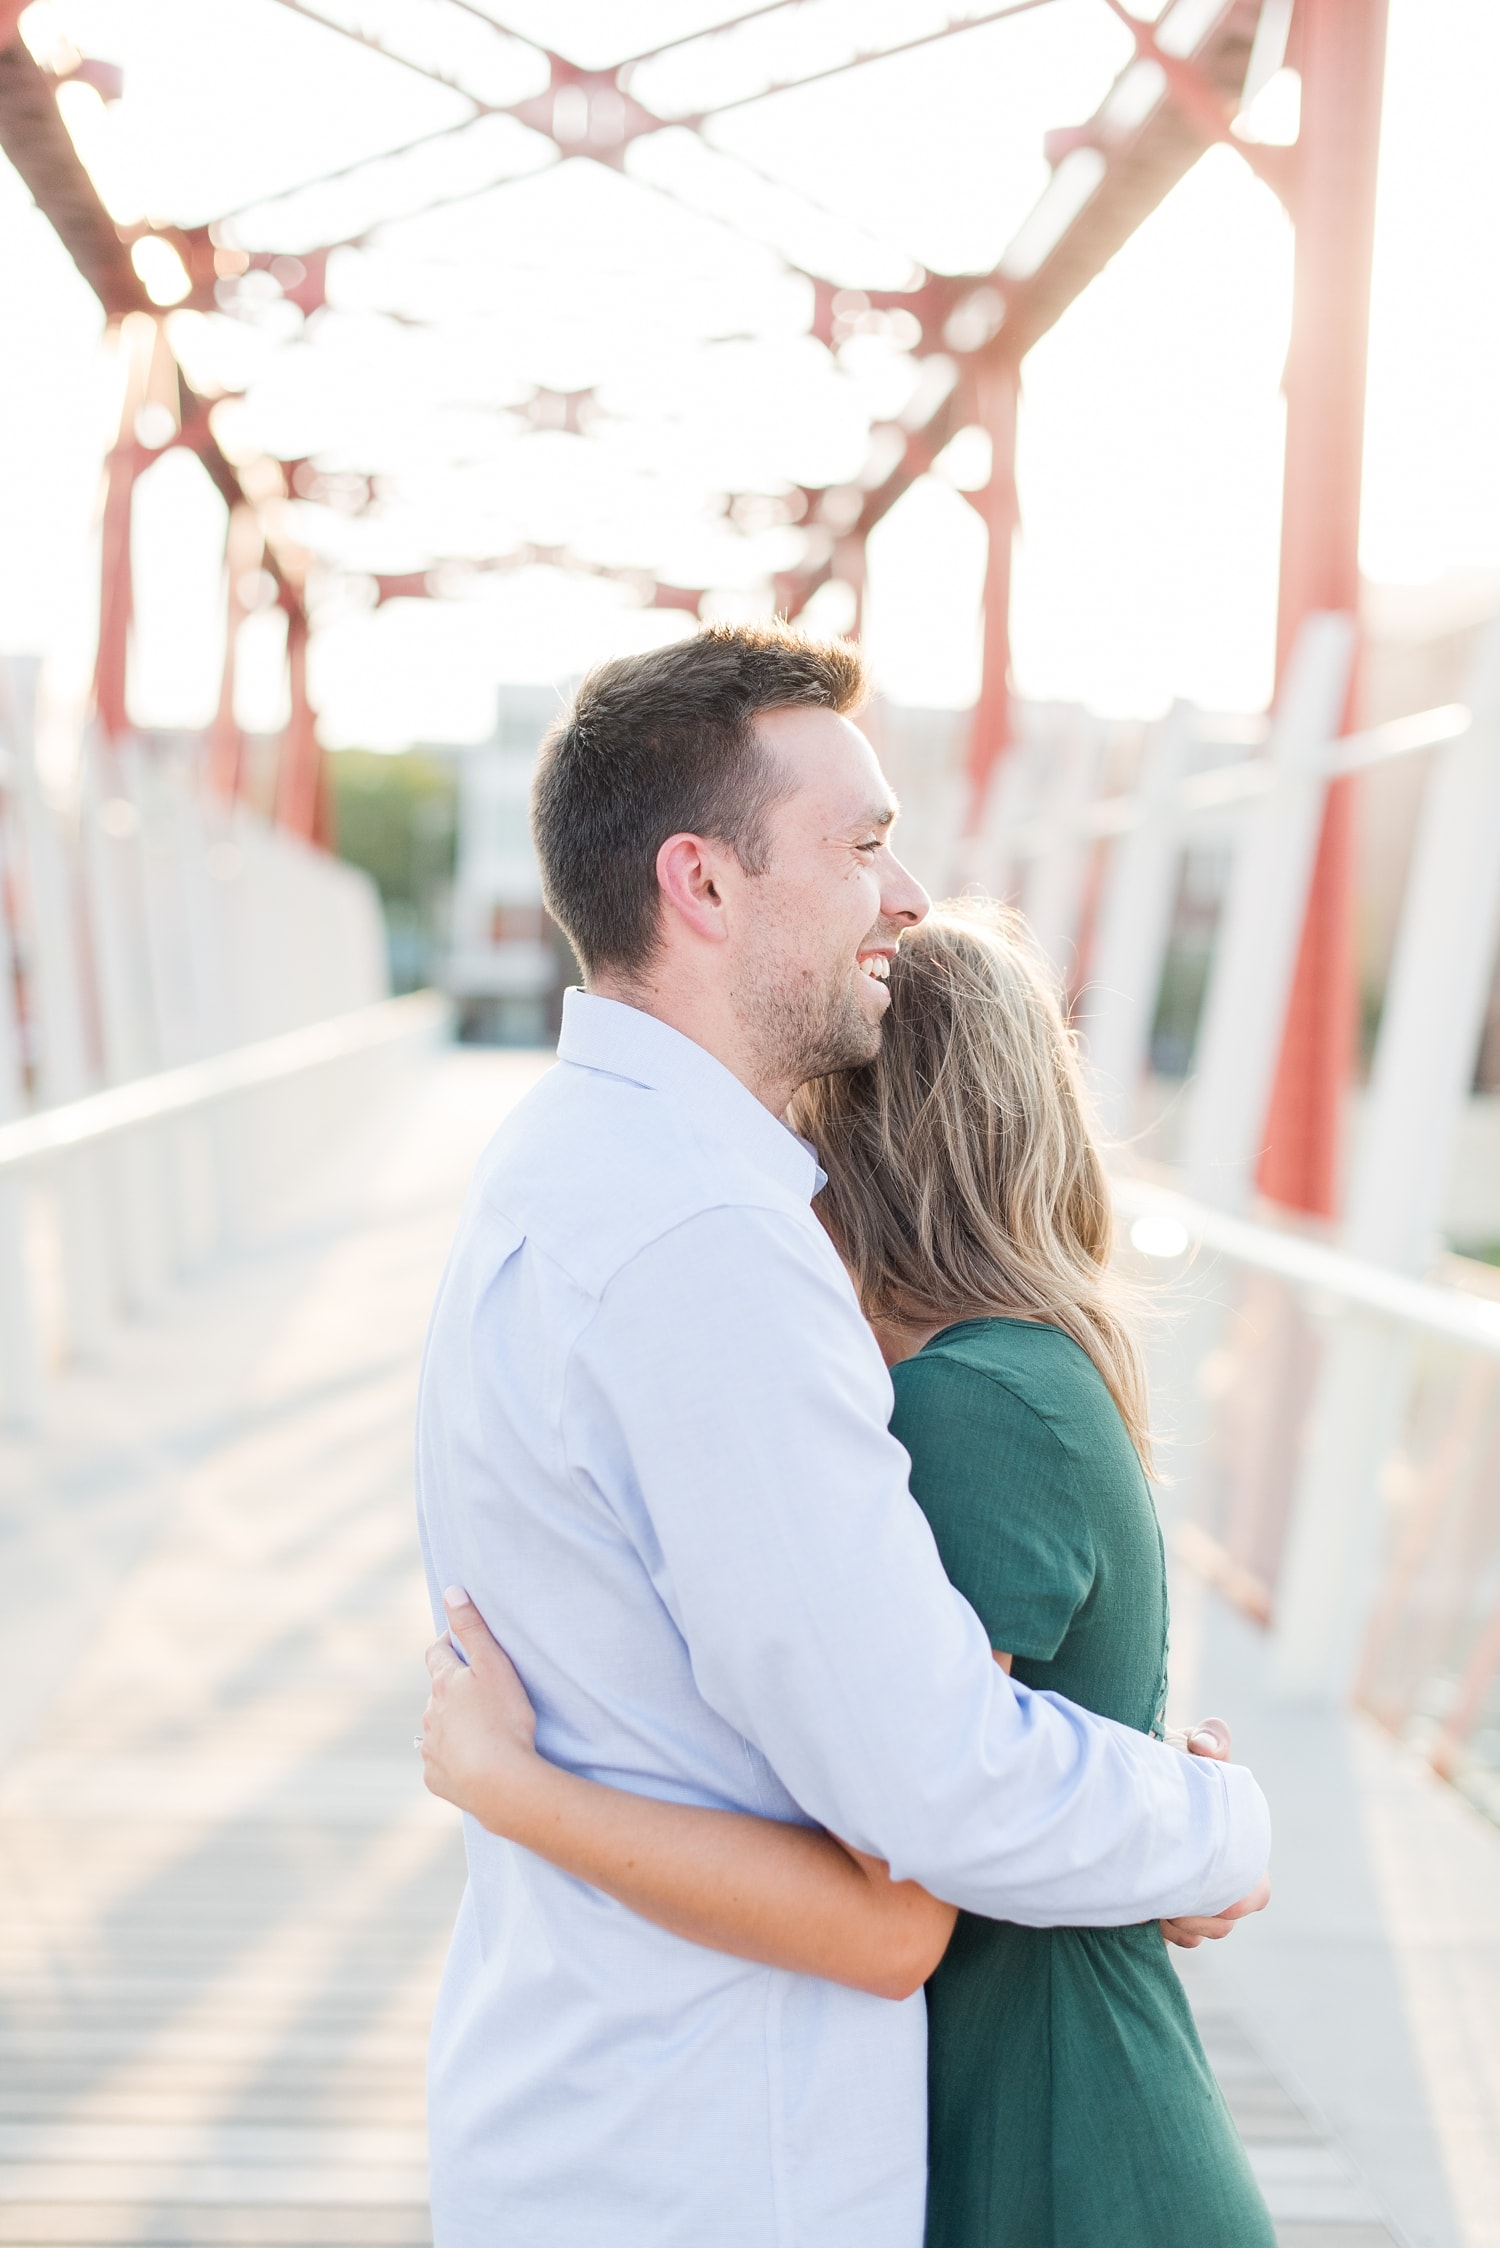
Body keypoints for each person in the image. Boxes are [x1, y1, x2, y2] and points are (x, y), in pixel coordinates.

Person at [412, 623, 1270, 2248]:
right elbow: (933, 1792)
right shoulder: (709, 1251)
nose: (906, 897)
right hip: (719, 2162)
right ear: (703, 885)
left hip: (578, 2116)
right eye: (864, 846)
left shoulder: (553, 1169)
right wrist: (1222, 1823)